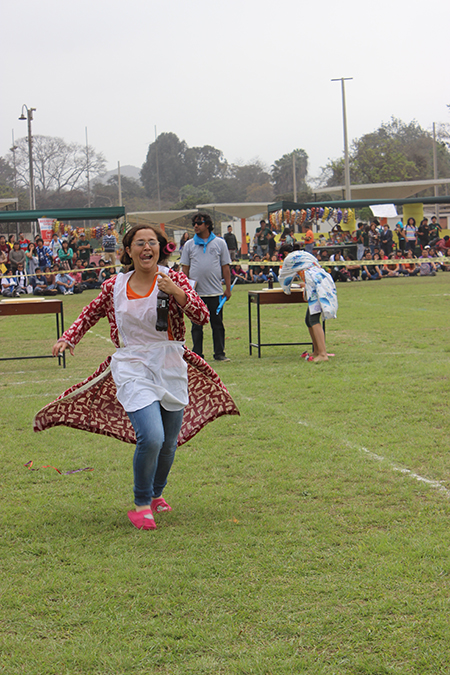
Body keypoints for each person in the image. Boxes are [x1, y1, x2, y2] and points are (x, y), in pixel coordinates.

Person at [35, 224, 238, 531]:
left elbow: (202, 317)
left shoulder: (174, 279)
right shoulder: (113, 286)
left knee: (168, 444)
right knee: (152, 437)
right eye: (139, 243)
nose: (146, 247)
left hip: (170, 365)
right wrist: (68, 338)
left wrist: (177, 292)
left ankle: (156, 494)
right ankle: (142, 504)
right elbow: (90, 313)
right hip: (131, 366)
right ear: (128, 251)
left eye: (152, 242)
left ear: (160, 248)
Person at [181, 213, 232, 362]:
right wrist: (185, 289)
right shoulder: (189, 245)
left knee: (217, 324)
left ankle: (219, 353)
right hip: (196, 293)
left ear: (207, 225)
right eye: (194, 224)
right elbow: (185, 269)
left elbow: (225, 267)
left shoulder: (220, 243)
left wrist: (228, 288)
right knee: (196, 326)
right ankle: (197, 355)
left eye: (199, 223)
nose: (196, 226)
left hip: (215, 292)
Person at [279, 248, 338, 363]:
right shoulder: (305, 255)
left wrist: (287, 289)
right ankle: (317, 351)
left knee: (313, 319)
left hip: (315, 285)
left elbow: (284, 277)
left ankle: (323, 354)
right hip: (322, 281)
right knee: (309, 320)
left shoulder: (289, 259)